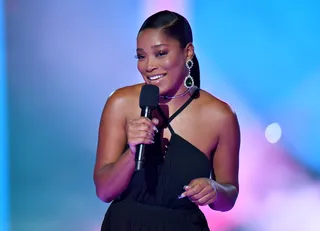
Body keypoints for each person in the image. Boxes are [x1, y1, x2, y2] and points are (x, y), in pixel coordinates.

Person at [94, 10, 240, 231]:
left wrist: (215, 189)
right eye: (141, 56)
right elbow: (104, 191)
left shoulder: (220, 116)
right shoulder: (121, 103)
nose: (148, 65)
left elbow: (229, 196)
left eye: (160, 53)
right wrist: (132, 154)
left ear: (188, 52)